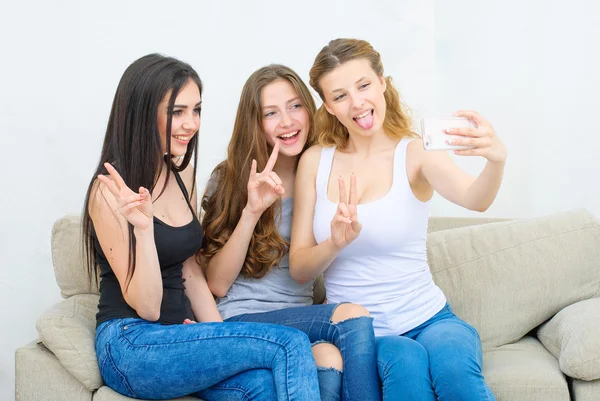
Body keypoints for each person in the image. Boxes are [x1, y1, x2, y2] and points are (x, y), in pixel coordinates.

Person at [82, 53, 321, 401]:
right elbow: (148, 308)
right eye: (177, 112)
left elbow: (191, 271)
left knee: (265, 388)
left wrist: (216, 337)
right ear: (142, 113)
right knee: (289, 343)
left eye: (196, 110)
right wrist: (143, 230)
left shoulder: (183, 176)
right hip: (130, 343)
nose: (191, 123)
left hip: (179, 337)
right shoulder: (109, 191)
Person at [289, 38, 505, 401]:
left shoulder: (415, 152)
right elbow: (299, 268)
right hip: (364, 334)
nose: (357, 102)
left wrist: (496, 160)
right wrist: (335, 243)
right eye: (340, 96)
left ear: (382, 83)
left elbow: (475, 199)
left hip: (432, 319)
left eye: (363, 85)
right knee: (405, 372)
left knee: (456, 373)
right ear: (328, 105)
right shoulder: (315, 161)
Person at [195, 64, 382, 401]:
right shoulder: (231, 179)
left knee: (328, 356)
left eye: (296, 106)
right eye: (271, 113)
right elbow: (217, 284)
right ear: (256, 123)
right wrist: (252, 211)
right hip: (242, 320)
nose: (287, 121)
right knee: (352, 317)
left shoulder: (326, 176)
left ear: (310, 111)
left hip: (298, 322)